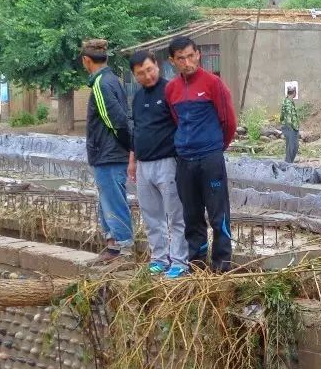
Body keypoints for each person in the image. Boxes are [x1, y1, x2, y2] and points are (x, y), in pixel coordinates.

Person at [163, 35, 237, 272]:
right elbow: (177, 121)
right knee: (191, 216)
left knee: (218, 215)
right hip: (185, 161)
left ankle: (222, 266)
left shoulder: (212, 84)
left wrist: (215, 148)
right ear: (172, 61)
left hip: (210, 159)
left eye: (191, 56)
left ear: (198, 55)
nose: (187, 62)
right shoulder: (171, 89)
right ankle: (197, 266)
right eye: (181, 58)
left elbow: (229, 122)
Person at [127, 50, 189, 279]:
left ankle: (180, 262)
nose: (147, 76)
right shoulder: (138, 97)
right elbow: (136, 130)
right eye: (141, 73)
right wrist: (132, 161)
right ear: (135, 76)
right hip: (144, 165)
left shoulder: (171, 90)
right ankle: (159, 259)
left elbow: (181, 124)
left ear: (157, 65)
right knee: (152, 216)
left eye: (149, 69)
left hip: (168, 162)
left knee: (175, 215)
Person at [80, 39, 134, 264]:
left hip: (109, 154)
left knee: (113, 199)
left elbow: (116, 120)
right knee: (108, 200)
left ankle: (122, 246)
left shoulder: (101, 84)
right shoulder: (112, 80)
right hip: (110, 153)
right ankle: (112, 245)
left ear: (86, 61)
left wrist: (128, 146)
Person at [280, 85, 301, 163]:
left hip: (294, 127)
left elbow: (282, 115)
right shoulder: (287, 103)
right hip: (290, 127)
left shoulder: (290, 101)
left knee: (295, 147)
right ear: (294, 92)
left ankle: (290, 163)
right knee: (291, 147)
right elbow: (288, 117)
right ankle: (287, 165)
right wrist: (289, 127)